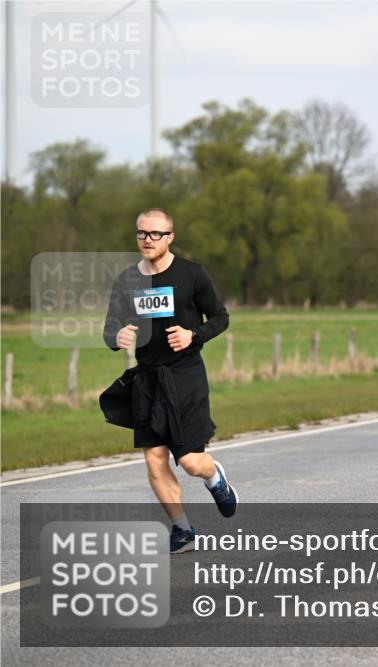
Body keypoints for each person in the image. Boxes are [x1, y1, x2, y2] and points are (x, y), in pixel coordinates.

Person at [100, 208, 237, 555]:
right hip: (147, 380)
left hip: (186, 374)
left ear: (170, 237)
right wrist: (116, 337)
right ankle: (182, 530)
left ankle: (214, 477)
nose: (147, 239)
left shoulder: (192, 274)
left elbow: (221, 317)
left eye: (155, 234)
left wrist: (194, 335)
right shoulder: (127, 280)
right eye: (142, 233)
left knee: (190, 460)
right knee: (154, 459)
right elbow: (109, 329)